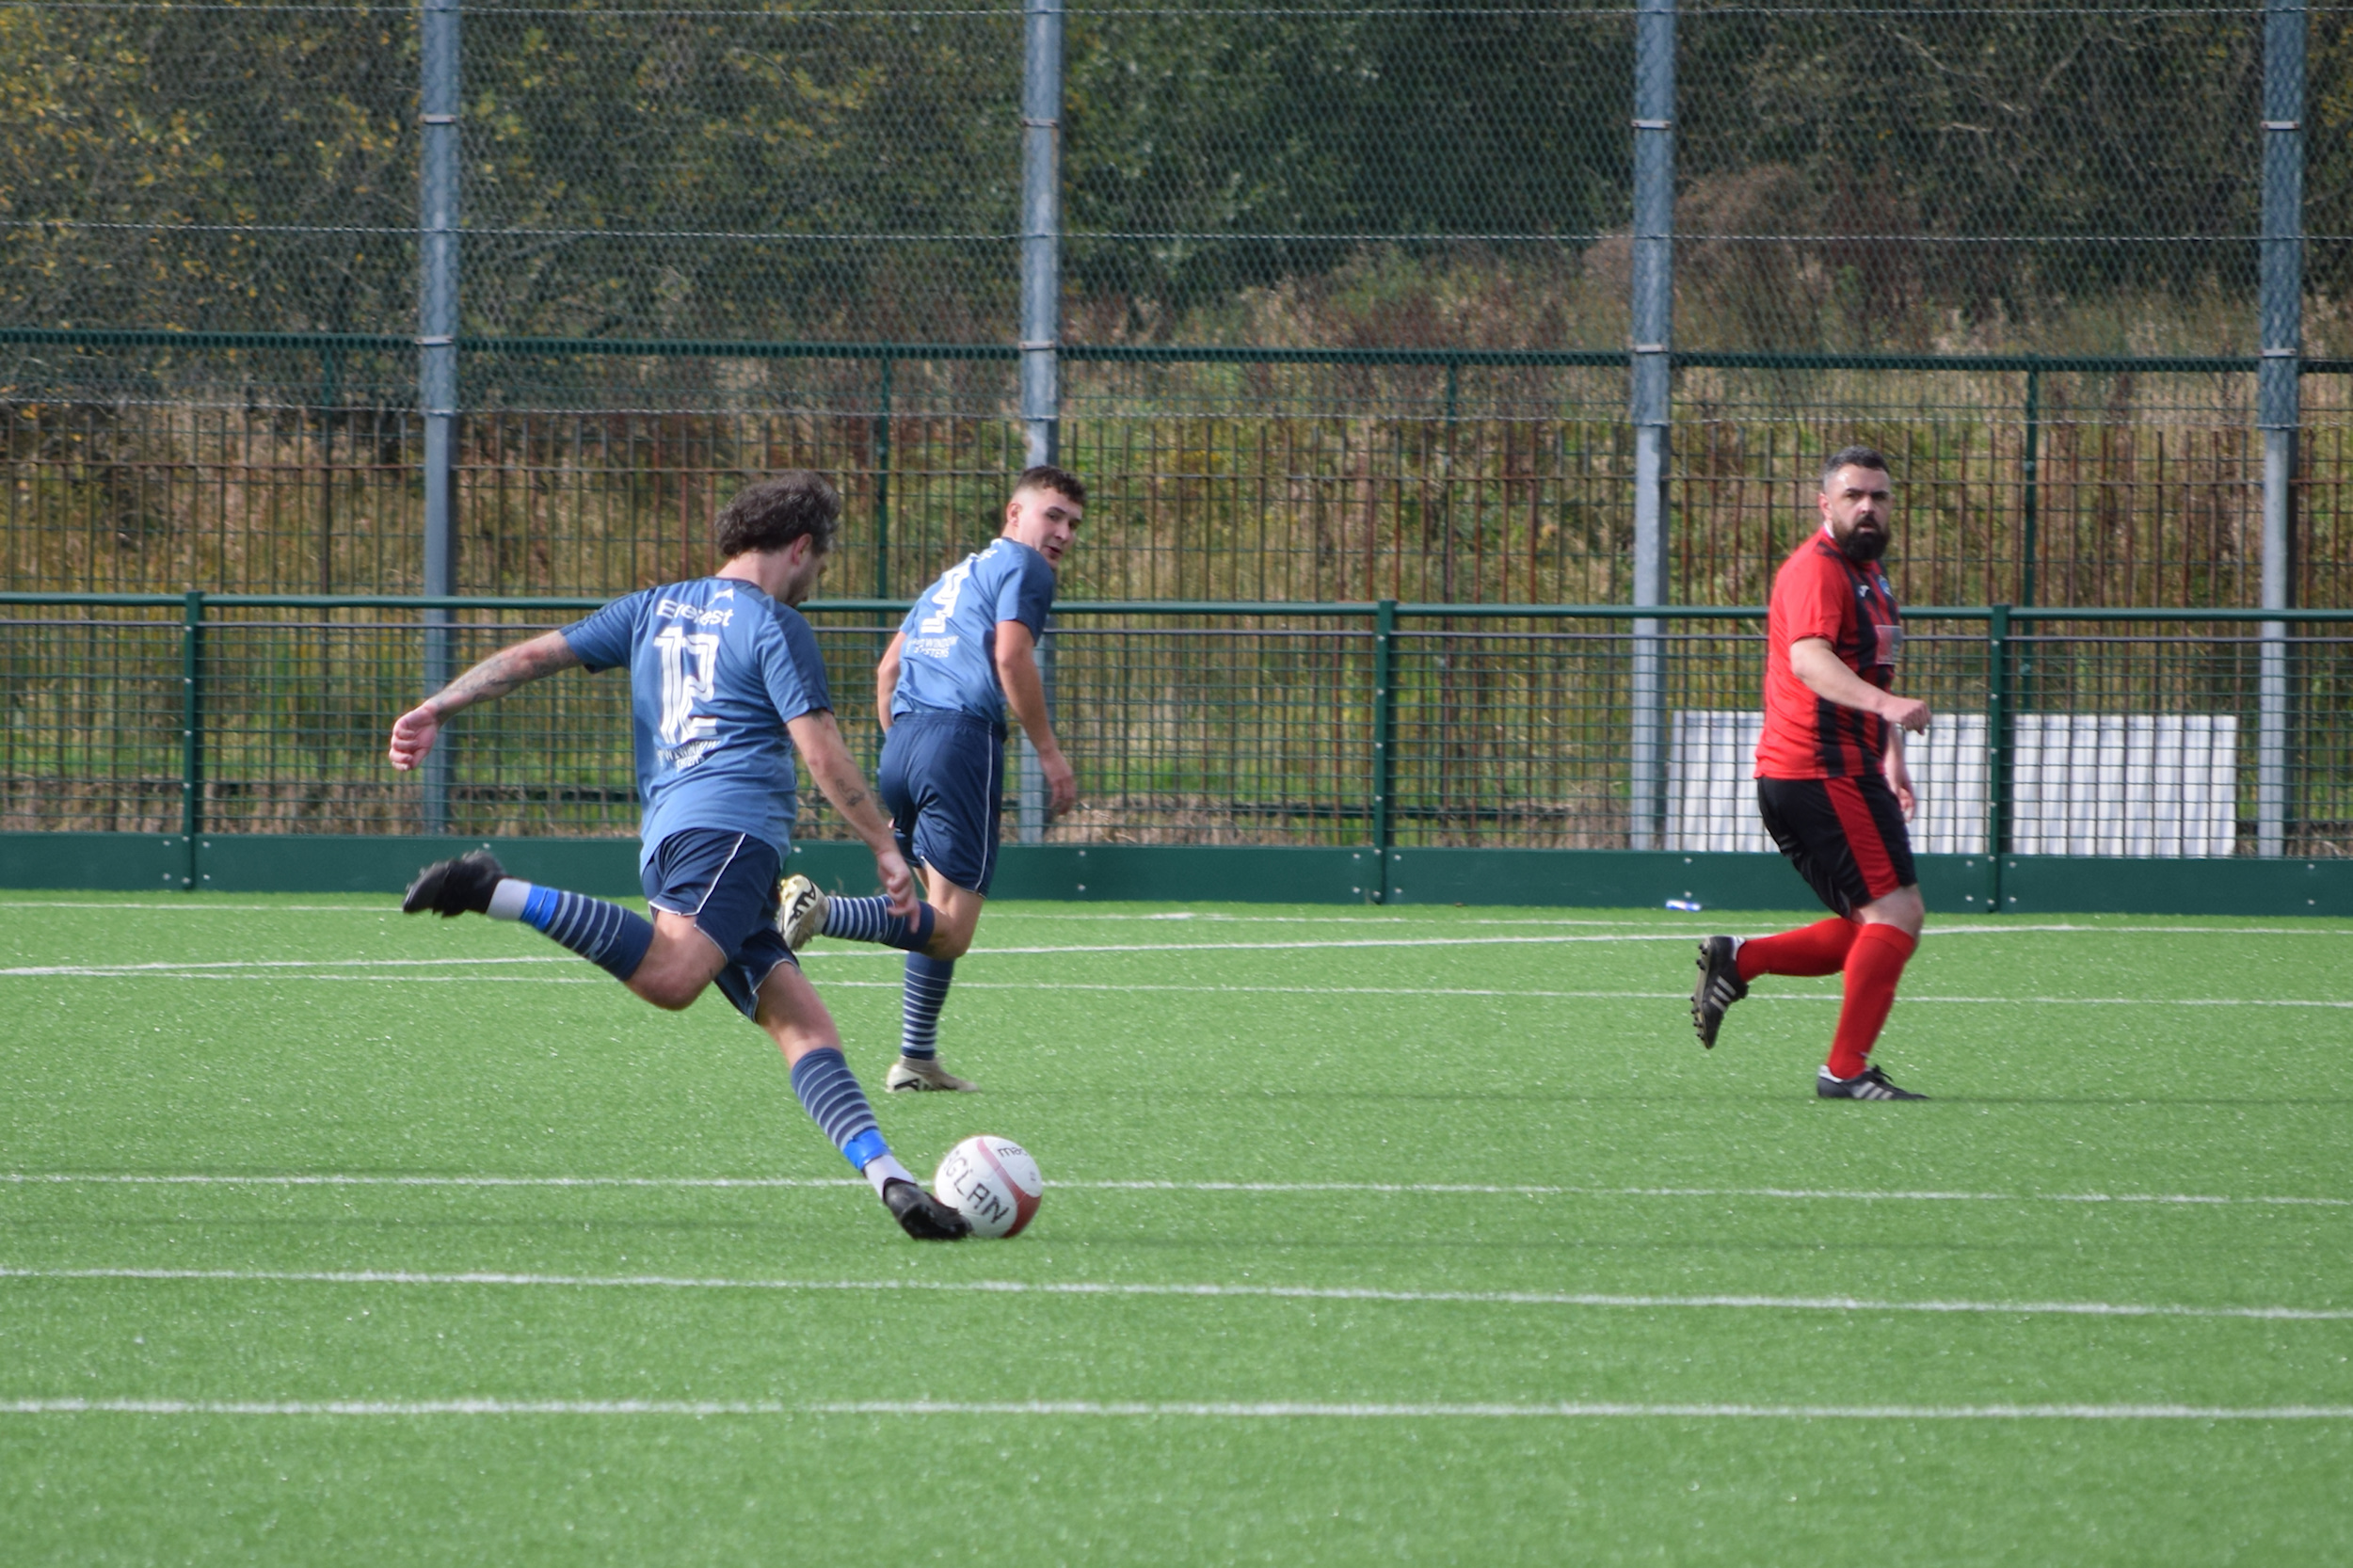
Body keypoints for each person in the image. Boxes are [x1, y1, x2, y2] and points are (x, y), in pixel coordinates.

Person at [387, 472, 969, 1238]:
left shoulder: (649, 607)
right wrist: (886, 847)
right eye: (820, 565)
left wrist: (438, 703)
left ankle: (894, 1184)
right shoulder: (773, 624)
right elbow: (822, 753)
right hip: (730, 837)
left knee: (806, 1030)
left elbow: (532, 657)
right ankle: (494, 890)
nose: (816, 582)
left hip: (673, 843)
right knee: (669, 977)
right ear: (799, 548)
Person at [776, 464, 1083, 1093]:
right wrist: (1048, 752)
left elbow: (889, 667)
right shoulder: (1026, 569)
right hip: (961, 739)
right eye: (1052, 515)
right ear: (1014, 515)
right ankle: (823, 911)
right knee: (954, 930)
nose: (1062, 533)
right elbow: (1009, 654)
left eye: (1073, 524)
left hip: (907, 742)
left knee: (934, 913)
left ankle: (916, 1060)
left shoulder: (953, 577)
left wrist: (907, 752)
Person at [1689, 445, 1933, 1099]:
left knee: (1870, 926)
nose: (1868, 508)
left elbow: (1870, 667)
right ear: (1825, 504)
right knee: (1898, 914)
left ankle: (1740, 960)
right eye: (1854, 496)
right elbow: (1810, 661)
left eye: (1879, 497)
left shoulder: (1872, 576)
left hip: (1842, 770)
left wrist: (1893, 753)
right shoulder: (1816, 571)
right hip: (1819, 771)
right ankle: (1845, 1070)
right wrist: (1888, 708)